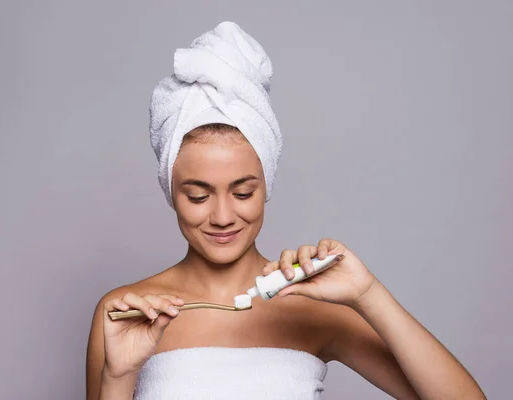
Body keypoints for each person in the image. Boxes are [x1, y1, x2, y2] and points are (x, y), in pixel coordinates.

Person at [86, 22, 485, 400]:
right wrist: (118, 378)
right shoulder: (125, 311)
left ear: (267, 186)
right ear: (171, 191)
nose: (223, 216)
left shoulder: (314, 311)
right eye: (198, 196)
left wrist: (368, 294)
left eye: (243, 193)